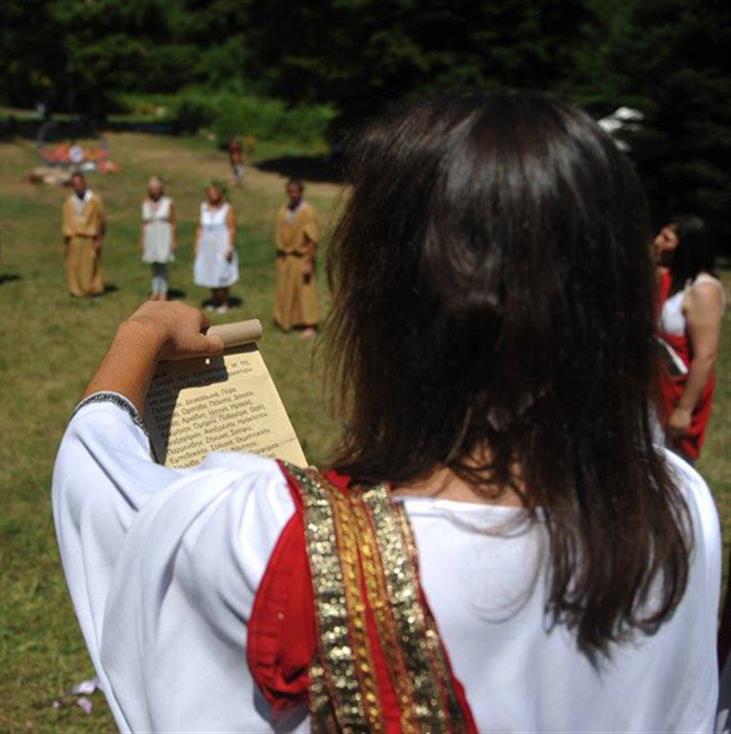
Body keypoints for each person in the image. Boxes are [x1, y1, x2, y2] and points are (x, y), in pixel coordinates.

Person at [52, 90, 720, 732]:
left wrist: (143, 332)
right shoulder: (672, 506)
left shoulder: (267, 539)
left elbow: (100, 486)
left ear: (393, 312)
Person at [655, 215, 724, 463]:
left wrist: (684, 410)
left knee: (673, 465)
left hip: (679, 393)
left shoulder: (703, 290)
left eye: (666, 238)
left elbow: (705, 356)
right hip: (656, 389)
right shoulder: (669, 280)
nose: (657, 241)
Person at [274, 179, 320, 336]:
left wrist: (308, 261)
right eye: (290, 191)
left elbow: (313, 239)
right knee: (287, 290)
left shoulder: (307, 211)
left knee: (305, 291)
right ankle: (289, 320)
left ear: (301, 192)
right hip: (287, 257)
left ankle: (310, 324)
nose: (293, 194)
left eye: (296, 191)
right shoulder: (284, 210)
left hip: (302, 257)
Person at [193, 181, 237, 313]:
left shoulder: (227, 209)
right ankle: (214, 300)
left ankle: (224, 301)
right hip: (207, 247)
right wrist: (197, 245)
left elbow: (232, 228)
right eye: (210, 192)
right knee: (210, 272)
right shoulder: (203, 208)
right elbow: (200, 228)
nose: (213, 195)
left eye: (215, 192)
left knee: (223, 273)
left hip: (221, 246)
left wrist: (229, 248)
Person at [62, 172, 105, 297]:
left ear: (84, 183)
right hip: (74, 237)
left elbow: (101, 220)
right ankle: (76, 289)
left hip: (90, 237)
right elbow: (66, 220)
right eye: (75, 185)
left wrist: (99, 237)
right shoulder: (69, 202)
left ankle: (91, 288)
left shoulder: (94, 200)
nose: (78, 187)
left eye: (80, 184)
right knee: (74, 265)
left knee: (90, 265)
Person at [140, 176, 175, 301]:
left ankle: (164, 291)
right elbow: (144, 223)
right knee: (154, 265)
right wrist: (142, 240)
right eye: (152, 188)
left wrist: (173, 240)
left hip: (163, 235)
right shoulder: (145, 203)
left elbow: (172, 222)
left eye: (156, 188)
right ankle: (155, 290)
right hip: (151, 236)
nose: (154, 191)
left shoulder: (168, 202)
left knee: (163, 264)